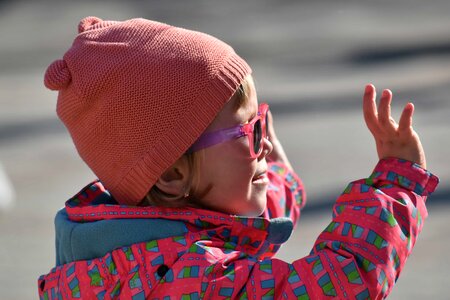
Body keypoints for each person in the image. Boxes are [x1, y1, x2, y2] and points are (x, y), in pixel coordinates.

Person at [38, 16, 439, 299]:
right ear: (173, 174)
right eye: (250, 132)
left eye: (261, 123)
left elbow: (232, 218)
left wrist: (276, 175)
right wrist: (396, 184)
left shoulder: (123, 255)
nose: (263, 144)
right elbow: (333, 286)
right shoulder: (195, 278)